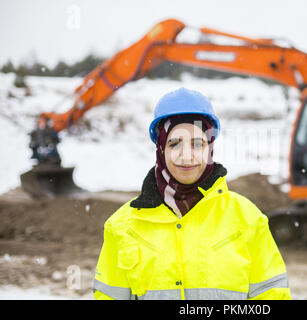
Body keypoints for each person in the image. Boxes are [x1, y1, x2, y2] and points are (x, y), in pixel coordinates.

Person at [93, 87, 291, 300]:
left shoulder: (249, 221)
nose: (187, 157)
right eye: (174, 143)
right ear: (160, 149)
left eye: (197, 144)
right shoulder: (121, 227)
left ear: (210, 149)